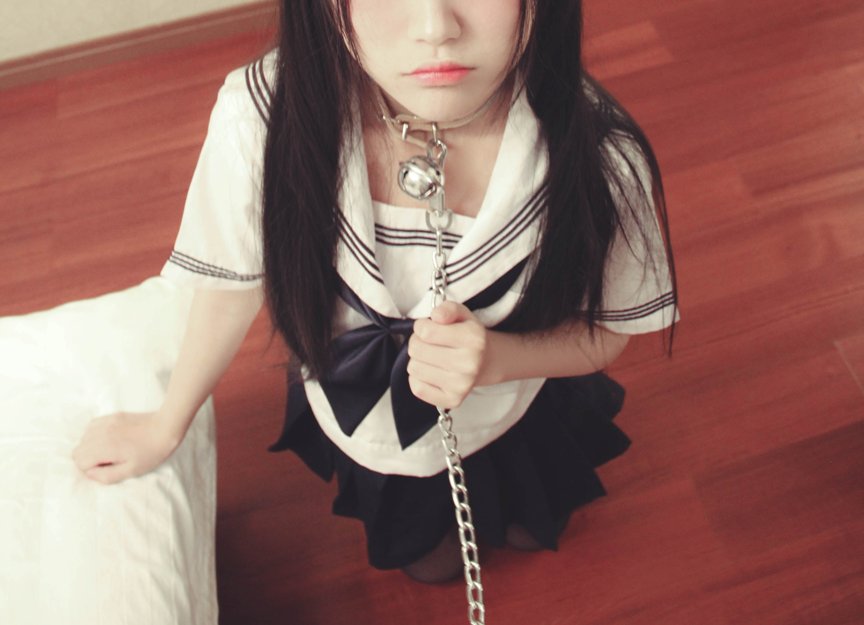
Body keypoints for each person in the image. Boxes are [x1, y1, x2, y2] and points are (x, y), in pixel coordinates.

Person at [72, 0, 678, 584]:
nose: (436, 27)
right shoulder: (262, 118)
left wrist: (499, 360)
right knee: (431, 563)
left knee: (531, 525)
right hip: (370, 421)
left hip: (517, 409)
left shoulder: (600, 155)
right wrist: (166, 424)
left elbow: (608, 330)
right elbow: (232, 287)